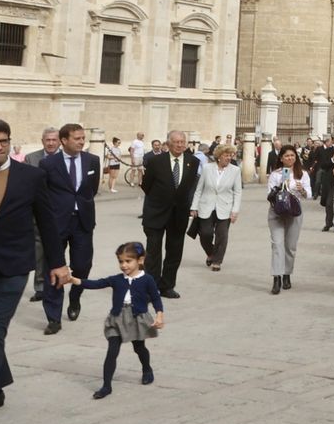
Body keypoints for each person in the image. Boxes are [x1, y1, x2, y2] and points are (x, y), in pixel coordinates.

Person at [0, 118, 65, 409]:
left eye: (3, 141)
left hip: (13, 266)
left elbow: (47, 223)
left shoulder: (30, 177)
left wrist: (58, 264)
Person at [75, 241, 164, 399]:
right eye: (121, 261)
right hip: (117, 318)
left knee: (139, 348)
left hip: (136, 318)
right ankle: (106, 386)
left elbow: (156, 299)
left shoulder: (147, 280)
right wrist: (76, 281)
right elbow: (97, 283)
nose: (124, 265)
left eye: (128, 261)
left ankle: (147, 368)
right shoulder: (117, 279)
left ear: (140, 260)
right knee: (112, 352)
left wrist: (159, 315)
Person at [39, 123, 99, 334]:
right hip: (56, 223)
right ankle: (54, 317)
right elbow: (43, 195)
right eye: (77, 138)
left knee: (83, 266)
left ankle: (75, 297)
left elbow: (91, 189)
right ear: (64, 140)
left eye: (83, 138)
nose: (82, 142)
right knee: (53, 268)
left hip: (82, 221)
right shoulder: (48, 164)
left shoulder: (93, 161)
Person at [139, 131, 200, 299]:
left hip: (178, 215)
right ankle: (151, 288)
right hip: (156, 213)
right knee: (153, 253)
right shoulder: (155, 161)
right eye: (176, 142)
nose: (180, 145)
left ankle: (167, 286)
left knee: (174, 252)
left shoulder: (192, 162)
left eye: (183, 142)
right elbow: (146, 185)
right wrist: (161, 198)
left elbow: (189, 187)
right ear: (169, 143)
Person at [263, 145, 311, 296]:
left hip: (294, 213)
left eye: (292, 155)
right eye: (287, 156)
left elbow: (308, 194)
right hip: (277, 212)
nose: (290, 158)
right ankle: (276, 278)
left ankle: (287, 274)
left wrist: (301, 189)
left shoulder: (302, 174)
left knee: (290, 246)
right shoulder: (276, 174)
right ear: (281, 158)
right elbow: (269, 194)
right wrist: (279, 189)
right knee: (277, 245)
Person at [191, 143, 243, 272]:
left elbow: (237, 192)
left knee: (222, 235)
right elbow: (199, 189)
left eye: (230, 155)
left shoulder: (235, 170)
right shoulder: (207, 168)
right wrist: (194, 207)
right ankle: (211, 253)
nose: (229, 158)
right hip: (206, 206)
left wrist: (235, 210)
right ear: (219, 156)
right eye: (226, 155)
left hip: (225, 207)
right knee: (205, 234)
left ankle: (217, 261)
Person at [25, 126, 62, 302]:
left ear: (60, 141)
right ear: (42, 141)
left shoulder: (67, 159)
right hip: (38, 213)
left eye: (54, 140)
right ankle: (40, 286)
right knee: (39, 251)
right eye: (48, 140)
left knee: (59, 250)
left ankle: (58, 282)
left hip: (62, 213)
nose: (51, 143)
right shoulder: (31, 159)